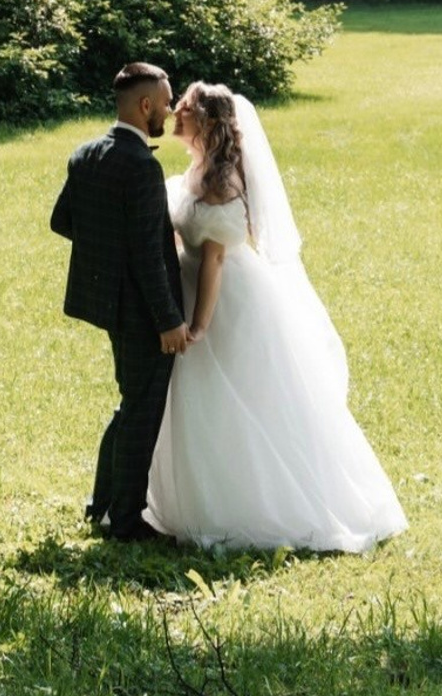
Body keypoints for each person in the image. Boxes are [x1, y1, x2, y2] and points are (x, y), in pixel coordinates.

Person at [144, 81, 408, 551]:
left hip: (223, 302)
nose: (174, 114)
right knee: (197, 402)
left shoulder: (221, 181)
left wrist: (201, 325)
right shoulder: (195, 169)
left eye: (183, 109)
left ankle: (253, 507)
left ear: (205, 120)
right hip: (191, 289)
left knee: (239, 399)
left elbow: (216, 259)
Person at [51, 62, 191, 541]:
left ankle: (103, 502)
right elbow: (151, 257)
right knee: (140, 410)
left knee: (129, 403)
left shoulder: (85, 153)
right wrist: (169, 321)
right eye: (167, 101)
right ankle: (126, 520)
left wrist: (107, 251)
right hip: (144, 311)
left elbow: (62, 220)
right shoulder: (142, 167)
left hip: (110, 304)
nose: (170, 110)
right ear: (145, 104)